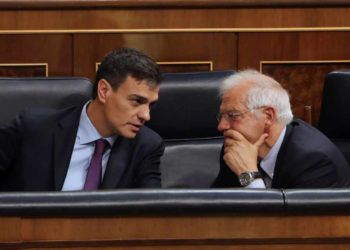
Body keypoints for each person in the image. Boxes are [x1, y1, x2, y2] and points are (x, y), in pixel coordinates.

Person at [0, 47, 164, 191]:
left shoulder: (146, 146)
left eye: (151, 105)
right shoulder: (34, 128)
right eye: (137, 101)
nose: (146, 115)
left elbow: (152, 212)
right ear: (104, 91)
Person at [212, 69, 350, 188]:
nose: (221, 126)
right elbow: (215, 208)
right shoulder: (238, 147)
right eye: (222, 116)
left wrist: (248, 176)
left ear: (268, 116)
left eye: (233, 115)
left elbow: (290, 220)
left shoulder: (314, 162)